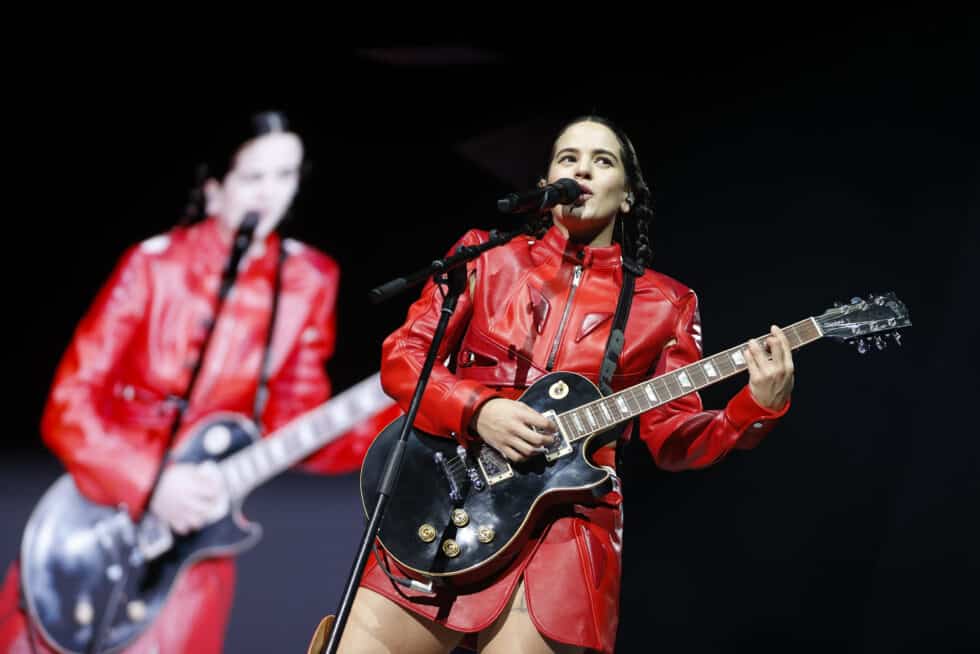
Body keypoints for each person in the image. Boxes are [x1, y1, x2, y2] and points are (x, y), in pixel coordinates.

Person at [336, 115, 796, 654]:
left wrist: (752, 410)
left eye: (602, 161)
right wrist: (479, 410)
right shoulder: (486, 257)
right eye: (567, 158)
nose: (582, 168)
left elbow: (672, 440)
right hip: (444, 501)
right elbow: (403, 357)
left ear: (627, 197)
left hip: (563, 540)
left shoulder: (666, 304)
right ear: (545, 184)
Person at [0, 110, 387, 653]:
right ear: (214, 188)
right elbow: (69, 405)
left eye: (286, 176)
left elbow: (297, 424)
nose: (270, 193)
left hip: (193, 547)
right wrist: (151, 483)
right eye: (254, 177)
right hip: (96, 516)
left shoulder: (308, 278)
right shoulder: (153, 265)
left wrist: (398, 410)